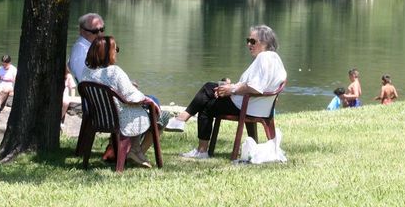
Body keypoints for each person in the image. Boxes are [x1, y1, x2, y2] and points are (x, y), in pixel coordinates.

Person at [164, 25, 287, 160]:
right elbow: (262, 86)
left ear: (265, 43)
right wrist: (230, 87)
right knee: (211, 90)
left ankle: (189, 131)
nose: (248, 45)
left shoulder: (263, 58)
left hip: (247, 106)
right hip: (257, 106)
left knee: (207, 99)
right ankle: (186, 127)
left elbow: (256, 88)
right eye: (248, 40)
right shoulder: (275, 59)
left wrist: (232, 90)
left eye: (253, 41)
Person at [81, 35, 165, 168]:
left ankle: (134, 151)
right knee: (161, 116)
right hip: (121, 118)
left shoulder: (86, 73)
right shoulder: (115, 72)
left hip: (100, 118)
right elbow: (132, 97)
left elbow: (111, 89)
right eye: (115, 49)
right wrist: (147, 99)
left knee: (149, 106)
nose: (116, 52)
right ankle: (137, 151)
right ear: (108, 52)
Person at [68, 13, 105, 82]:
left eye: (102, 29)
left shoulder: (89, 48)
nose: (100, 34)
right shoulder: (81, 51)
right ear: (82, 31)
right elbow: (84, 80)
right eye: (95, 31)